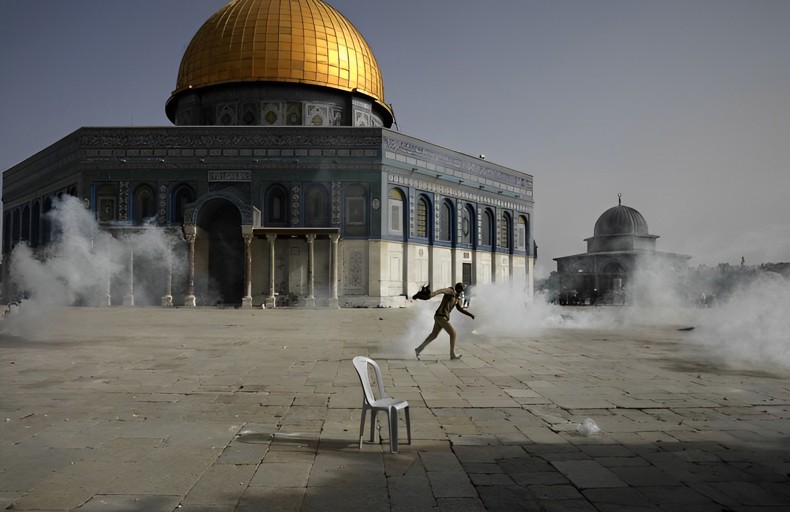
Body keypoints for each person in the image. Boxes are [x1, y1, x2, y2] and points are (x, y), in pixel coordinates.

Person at [414, 282, 475, 360]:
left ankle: (418, 349)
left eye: (462, 290)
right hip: (440, 316)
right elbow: (440, 291)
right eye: (461, 290)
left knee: (433, 335)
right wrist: (431, 295)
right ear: (458, 288)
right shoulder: (450, 291)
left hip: (442, 317)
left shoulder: (457, 298)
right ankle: (452, 354)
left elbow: (460, 309)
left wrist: (470, 315)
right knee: (453, 333)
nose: (461, 292)